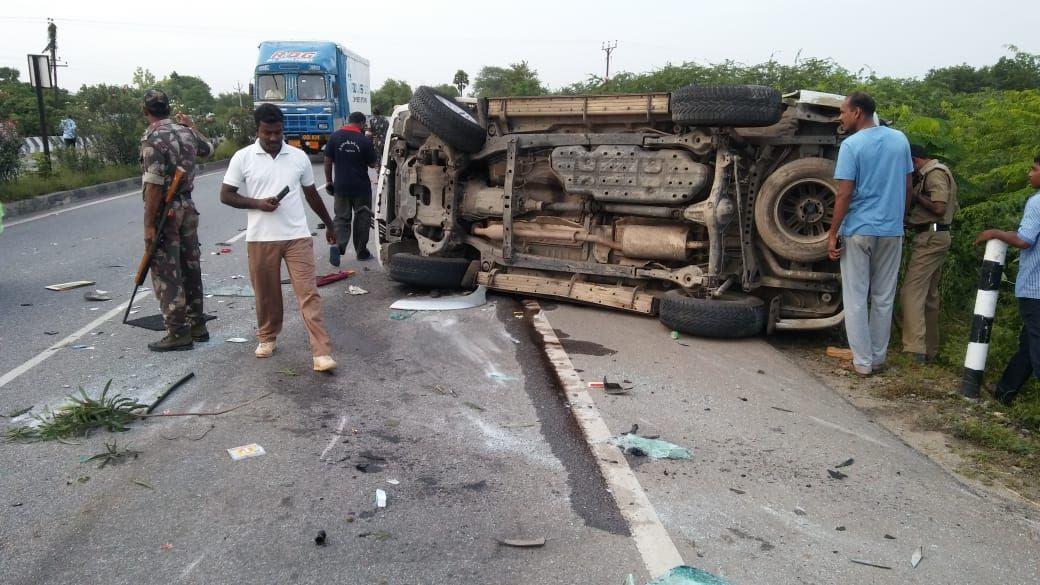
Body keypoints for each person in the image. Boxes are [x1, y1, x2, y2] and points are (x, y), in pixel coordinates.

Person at [220, 103, 339, 372]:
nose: (274, 138)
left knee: (308, 294)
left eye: (278, 132)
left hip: (297, 236)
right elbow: (226, 194)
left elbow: (311, 194)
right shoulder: (243, 157)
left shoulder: (298, 157)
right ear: (257, 130)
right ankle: (267, 337)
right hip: (261, 238)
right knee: (267, 294)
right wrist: (257, 203)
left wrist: (330, 224)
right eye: (267, 133)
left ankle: (321, 352)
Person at [827, 91, 914, 376]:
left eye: (843, 111)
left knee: (855, 297)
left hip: (859, 230)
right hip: (891, 230)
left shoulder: (852, 146)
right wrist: (899, 219)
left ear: (858, 112)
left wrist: (832, 232)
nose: (841, 116)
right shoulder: (899, 139)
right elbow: (908, 184)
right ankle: (878, 358)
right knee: (884, 297)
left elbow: (844, 193)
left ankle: (862, 363)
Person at [138, 89, 212, 351]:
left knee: (167, 271)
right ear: (168, 108)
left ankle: (178, 332)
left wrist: (149, 225)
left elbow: (155, 185)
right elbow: (207, 149)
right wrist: (193, 126)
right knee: (190, 265)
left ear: (145, 111)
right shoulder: (186, 131)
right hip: (188, 207)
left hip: (166, 211)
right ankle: (197, 324)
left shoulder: (152, 138)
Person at [975, 155, 1040, 405]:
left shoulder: (1036, 203)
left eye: (1034, 169)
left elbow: (1025, 240)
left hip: (1034, 289)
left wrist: (995, 233)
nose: (1029, 174)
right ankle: (1005, 391)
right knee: (1029, 343)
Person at [900, 144, 959, 363]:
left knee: (911, 292)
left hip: (931, 237)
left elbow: (939, 208)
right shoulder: (935, 172)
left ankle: (915, 349)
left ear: (914, 160)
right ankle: (931, 350)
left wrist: (916, 197)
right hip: (935, 236)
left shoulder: (934, 174)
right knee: (929, 296)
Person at [323, 111, 378, 266]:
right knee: (362, 218)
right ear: (361, 123)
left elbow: (327, 161)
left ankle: (339, 247)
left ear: (349, 121)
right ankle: (361, 252)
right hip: (360, 187)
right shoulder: (364, 140)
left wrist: (328, 181)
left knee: (341, 217)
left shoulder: (335, 136)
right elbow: (373, 164)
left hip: (341, 186)